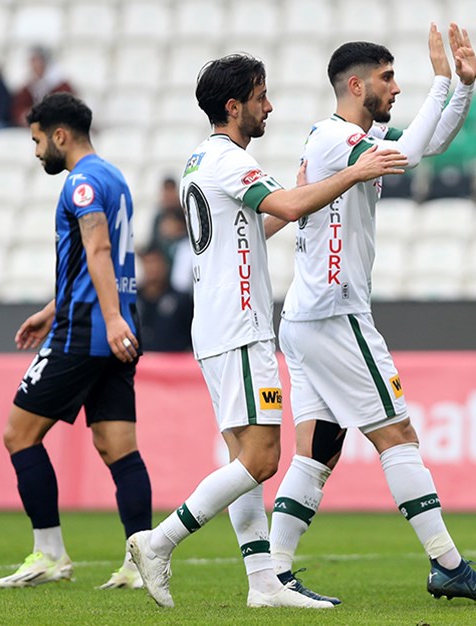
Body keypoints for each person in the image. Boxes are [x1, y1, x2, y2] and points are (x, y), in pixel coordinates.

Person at [126, 53, 407, 610]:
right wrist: (350, 174)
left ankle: (263, 584)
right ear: (234, 107)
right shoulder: (231, 161)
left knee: (244, 463)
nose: (269, 107)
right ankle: (158, 542)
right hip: (240, 326)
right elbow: (287, 204)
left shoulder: (200, 160)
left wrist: (306, 196)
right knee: (260, 460)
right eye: (260, 97)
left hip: (215, 326)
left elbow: (258, 225)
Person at [263, 24, 476, 605]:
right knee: (397, 433)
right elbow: (412, 152)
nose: (396, 88)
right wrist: (440, 82)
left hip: (305, 316)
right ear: (357, 85)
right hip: (335, 314)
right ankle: (448, 565)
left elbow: (432, 142)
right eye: (387, 77)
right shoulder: (336, 138)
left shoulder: (353, 136)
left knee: (319, 449)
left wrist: (462, 88)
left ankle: (273, 572)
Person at [0, 93, 152, 591]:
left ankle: (50, 554)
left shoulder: (80, 183)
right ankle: (140, 561)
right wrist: (53, 310)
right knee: (118, 447)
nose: (37, 151)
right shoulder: (113, 177)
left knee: (19, 434)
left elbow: (99, 248)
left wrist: (105, 319)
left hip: (89, 329)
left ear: (60, 135)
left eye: (38, 140)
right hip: (118, 326)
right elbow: (94, 263)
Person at [135, 244, 193, 351]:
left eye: (156, 262)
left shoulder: (181, 300)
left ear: (165, 265)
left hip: (174, 359)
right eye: (148, 263)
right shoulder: (133, 300)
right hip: (141, 359)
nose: (152, 268)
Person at [11, 46, 75, 128]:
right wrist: (23, 115)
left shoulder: (60, 84)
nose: (33, 65)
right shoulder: (30, 84)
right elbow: (19, 106)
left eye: (36, 61)